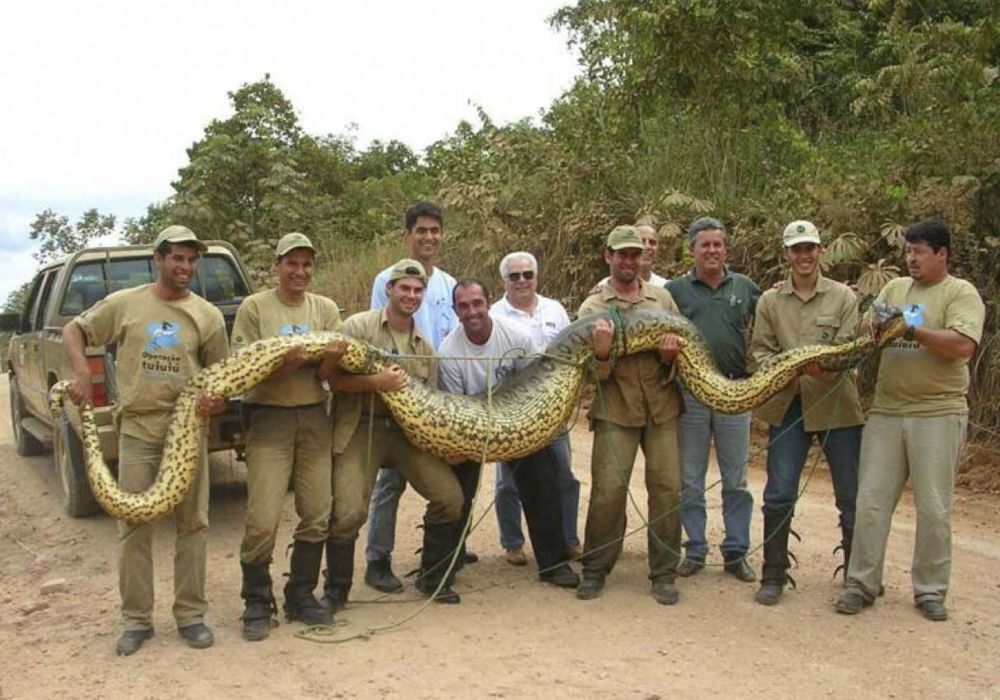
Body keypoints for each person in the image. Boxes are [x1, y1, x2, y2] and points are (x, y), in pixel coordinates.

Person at [63, 225, 228, 656]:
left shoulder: (208, 316)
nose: (185, 267)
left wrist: (216, 402)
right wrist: (83, 371)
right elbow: (74, 332)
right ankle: (136, 620)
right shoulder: (126, 304)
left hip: (188, 430)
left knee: (194, 524)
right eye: (177, 258)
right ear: (157, 259)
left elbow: (221, 380)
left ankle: (191, 616)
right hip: (138, 427)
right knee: (134, 525)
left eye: (192, 260)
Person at [836, 219, 985, 622]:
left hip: (937, 412)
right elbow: (867, 329)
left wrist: (912, 328)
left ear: (942, 254)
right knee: (870, 501)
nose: (912, 259)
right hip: (887, 410)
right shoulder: (894, 288)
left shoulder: (960, 293)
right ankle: (861, 584)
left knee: (934, 508)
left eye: (920, 252)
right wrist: (875, 323)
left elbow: (963, 345)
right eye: (908, 252)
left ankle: (930, 590)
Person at [324, 259, 466, 606]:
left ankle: (432, 578)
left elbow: (432, 402)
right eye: (404, 288)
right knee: (348, 512)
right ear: (389, 289)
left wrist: (447, 443)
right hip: (363, 426)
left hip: (406, 434)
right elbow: (334, 380)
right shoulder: (358, 327)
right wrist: (376, 382)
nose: (411, 295)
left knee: (450, 498)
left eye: (418, 290)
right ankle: (335, 591)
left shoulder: (425, 347)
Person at [231, 233, 346, 641]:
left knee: (317, 511)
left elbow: (328, 375)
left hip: (315, 415)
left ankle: (301, 594)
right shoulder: (254, 308)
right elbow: (245, 374)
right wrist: (285, 364)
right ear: (277, 265)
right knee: (262, 516)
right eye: (292, 264)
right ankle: (257, 601)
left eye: (307, 265)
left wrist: (325, 361)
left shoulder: (326, 309)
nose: (300, 272)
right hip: (268, 418)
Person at [750, 220, 864, 605]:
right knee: (779, 492)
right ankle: (773, 575)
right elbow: (761, 351)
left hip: (838, 407)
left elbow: (852, 349)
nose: (803, 256)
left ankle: (857, 576)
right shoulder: (769, 301)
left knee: (851, 494)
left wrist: (826, 366)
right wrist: (787, 368)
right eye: (796, 249)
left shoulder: (844, 296)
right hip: (788, 405)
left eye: (810, 248)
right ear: (786, 254)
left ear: (820, 251)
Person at [441, 279, 579, 587]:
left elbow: (535, 383)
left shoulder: (516, 335)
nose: (472, 311)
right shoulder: (448, 352)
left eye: (477, 303)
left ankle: (554, 563)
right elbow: (457, 405)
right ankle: (446, 561)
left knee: (543, 479)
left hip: (516, 420)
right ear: (455, 311)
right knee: (455, 488)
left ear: (488, 303)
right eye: (463, 306)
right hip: (473, 426)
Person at [575, 225, 684, 605]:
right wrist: (603, 355)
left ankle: (664, 572)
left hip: (662, 408)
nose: (628, 261)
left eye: (635, 254)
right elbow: (587, 371)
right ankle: (595, 568)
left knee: (668, 489)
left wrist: (672, 357)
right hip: (615, 409)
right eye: (621, 254)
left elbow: (685, 352)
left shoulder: (663, 299)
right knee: (608, 492)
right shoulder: (593, 308)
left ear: (643, 258)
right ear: (608, 256)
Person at [363, 202, 459, 593]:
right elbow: (376, 335)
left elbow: (452, 337)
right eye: (421, 230)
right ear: (408, 235)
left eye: (435, 230)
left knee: (442, 477)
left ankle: (441, 555)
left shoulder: (449, 284)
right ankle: (377, 559)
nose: (429, 237)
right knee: (391, 481)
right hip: (397, 392)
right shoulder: (385, 278)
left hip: (437, 389)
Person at [666, 217, 759, 582]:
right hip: (690, 395)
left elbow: (771, 314)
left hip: (735, 392)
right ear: (692, 250)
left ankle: (737, 551)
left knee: (736, 479)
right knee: (690, 478)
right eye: (704, 245)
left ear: (726, 249)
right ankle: (696, 550)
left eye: (717, 244)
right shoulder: (675, 291)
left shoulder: (745, 287)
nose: (712, 251)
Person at [489, 251, 581, 565]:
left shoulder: (554, 309)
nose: (522, 281)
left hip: (554, 410)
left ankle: (569, 539)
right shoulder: (494, 314)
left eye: (528, 274)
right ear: (504, 281)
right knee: (508, 481)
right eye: (514, 276)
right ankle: (513, 542)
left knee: (564, 475)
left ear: (536, 277)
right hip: (514, 411)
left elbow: (573, 355)